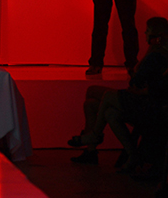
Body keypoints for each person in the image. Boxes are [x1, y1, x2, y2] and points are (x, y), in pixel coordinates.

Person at [69, 17, 168, 171]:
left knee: (102, 96)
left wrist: (141, 88)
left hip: (146, 105)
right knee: (96, 107)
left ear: (156, 35)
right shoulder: (158, 53)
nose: (144, 33)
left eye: (147, 31)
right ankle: (94, 148)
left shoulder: (157, 56)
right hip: (145, 100)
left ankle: (93, 141)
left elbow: (136, 78)